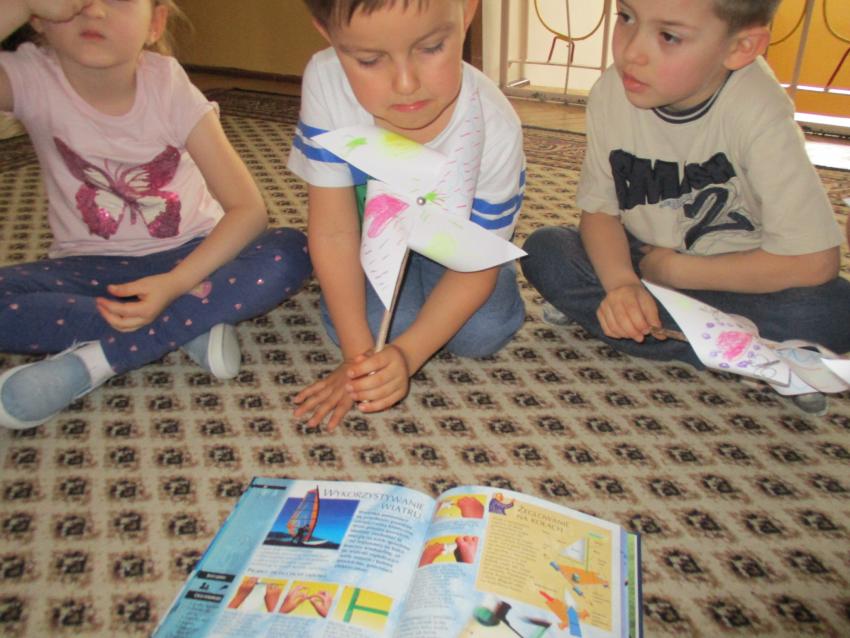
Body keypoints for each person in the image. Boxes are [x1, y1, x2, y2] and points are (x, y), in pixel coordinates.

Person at [521, 0, 850, 415]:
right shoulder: (611, 92)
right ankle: (755, 356)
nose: (631, 52)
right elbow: (600, 213)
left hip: (740, 276)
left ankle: (672, 335)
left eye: (669, 36)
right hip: (644, 262)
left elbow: (814, 262)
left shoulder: (759, 112)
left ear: (741, 47)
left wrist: (678, 271)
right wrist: (621, 285)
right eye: (626, 17)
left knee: (835, 313)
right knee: (546, 251)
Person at [0, 0, 311, 429]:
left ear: (155, 23)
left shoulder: (168, 86)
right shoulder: (29, 77)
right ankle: (191, 321)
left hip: (193, 259)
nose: (94, 12)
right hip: (89, 268)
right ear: (40, 17)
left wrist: (174, 284)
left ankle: (94, 362)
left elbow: (249, 210)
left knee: (291, 250)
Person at [289, 0, 526, 430]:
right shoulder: (325, 81)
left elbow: (475, 265)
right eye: (369, 60)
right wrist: (358, 359)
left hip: (460, 249)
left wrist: (407, 355)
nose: (405, 84)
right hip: (371, 239)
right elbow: (334, 231)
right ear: (327, 33)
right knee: (376, 328)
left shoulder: (495, 127)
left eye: (431, 47)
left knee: (482, 332)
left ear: (466, 12)